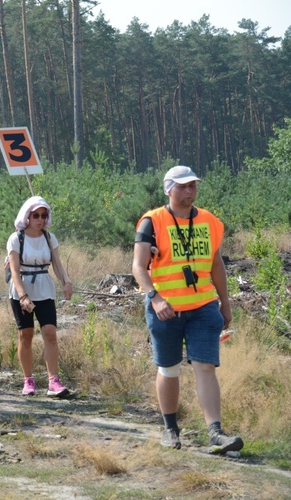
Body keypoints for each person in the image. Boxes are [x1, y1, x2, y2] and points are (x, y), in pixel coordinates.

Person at [132, 165, 243, 454]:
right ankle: (171, 429)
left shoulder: (209, 221)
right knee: (169, 369)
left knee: (206, 367)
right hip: (165, 309)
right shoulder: (151, 222)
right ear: (169, 189)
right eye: (182, 186)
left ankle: (216, 433)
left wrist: (225, 303)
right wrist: (155, 298)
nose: (189, 191)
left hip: (204, 307)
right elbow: (138, 266)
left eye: (192, 185)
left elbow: (216, 263)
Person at [7, 196, 73, 398]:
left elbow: (57, 264)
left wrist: (67, 281)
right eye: (36, 215)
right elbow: (15, 271)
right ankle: (28, 380)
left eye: (44, 215)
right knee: (25, 334)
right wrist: (23, 296)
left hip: (44, 287)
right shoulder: (16, 239)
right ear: (27, 216)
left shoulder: (49, 238)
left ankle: (53, 380)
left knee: (50, 332)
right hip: (22, 289)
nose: (40, 219)